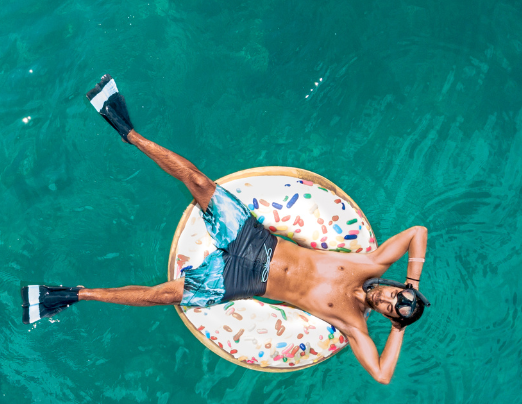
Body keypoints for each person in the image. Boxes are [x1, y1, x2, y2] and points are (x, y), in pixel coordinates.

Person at [22, 75, 430, 384]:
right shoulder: (368, 264)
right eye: (397, 296)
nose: (389, 301)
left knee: (164, 295)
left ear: (386, 315)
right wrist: (413, 281)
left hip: (243, 280)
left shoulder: (353, 323)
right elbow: (418, 232)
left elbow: (382, 374)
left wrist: (399, 329)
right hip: (257, 240)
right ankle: (126, 129)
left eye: (393, 308)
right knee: (199, 182)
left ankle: (73, 294)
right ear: (395, 286)